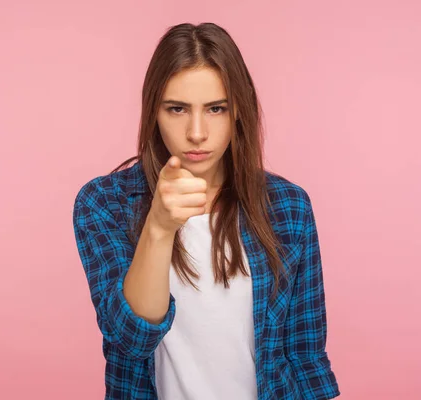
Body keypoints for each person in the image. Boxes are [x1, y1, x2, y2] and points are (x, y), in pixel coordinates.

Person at [72, 22, 340, 400]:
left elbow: (304, 355)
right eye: (177, 109)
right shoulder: (105, 203)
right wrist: (160, 228)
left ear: (239, 111)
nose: (196, 133)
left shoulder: (288, 206)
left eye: (216, 108)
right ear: (153, 112)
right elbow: (130, 338)